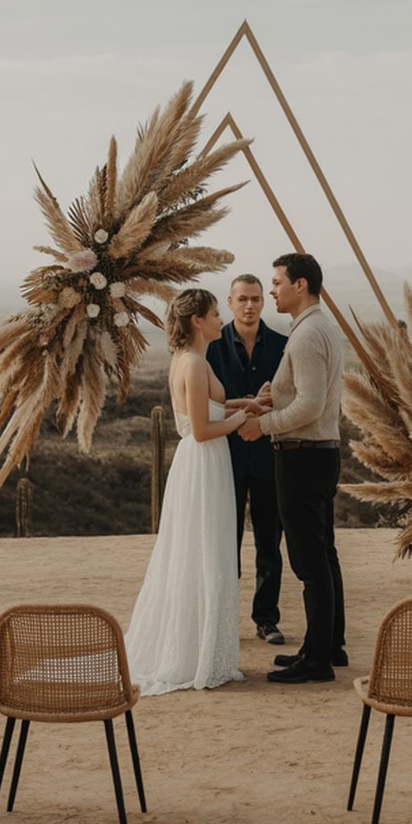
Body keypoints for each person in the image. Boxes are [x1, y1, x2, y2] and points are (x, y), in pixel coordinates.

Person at [125, 289, 247, 695]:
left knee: (203, 550)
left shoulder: (191, 360)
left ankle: (201, 649)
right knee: (204, 550)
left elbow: (214, 410)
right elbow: (201, 428)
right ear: (197, 321)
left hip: (206, 463)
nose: (221, 318)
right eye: (215, 312)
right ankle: (195, 656)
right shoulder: (193, 364)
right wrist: (242, 418)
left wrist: (249, 404)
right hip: (203, 462)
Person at [239, 253, 346, 684]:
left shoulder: (305, 336)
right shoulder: (319, 327)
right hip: (320, 454)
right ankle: (327, 646)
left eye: (278, 282)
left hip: (303, 456)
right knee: (325, 554)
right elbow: (303, 393)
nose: (273, 291)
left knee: (308, 561)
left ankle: (317, 660)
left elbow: (311, 404)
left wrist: (261, 425)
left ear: (300, 285)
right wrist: (274, 393)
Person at [207, 273, 288, 645]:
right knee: (227, 542)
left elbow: (289, 399)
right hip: (226, 457)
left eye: (256, 298)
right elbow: (205, 406)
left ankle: (266, 619)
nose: (250, 305)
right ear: (230, 302)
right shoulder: (211, 348)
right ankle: (223, 620)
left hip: (270, 456)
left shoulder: (285, 346)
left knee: (270, 543)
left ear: (264, 301)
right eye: (242, 299)